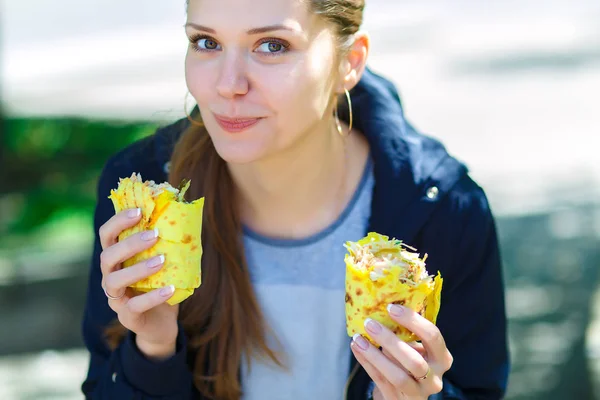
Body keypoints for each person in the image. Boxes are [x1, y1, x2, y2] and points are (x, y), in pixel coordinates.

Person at [81, 0, 510, 399]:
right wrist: (153, 348)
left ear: (350, 63)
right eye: (206, 42)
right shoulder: (145, 196)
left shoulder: (443, 209)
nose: (228, 85)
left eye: (272, 45)